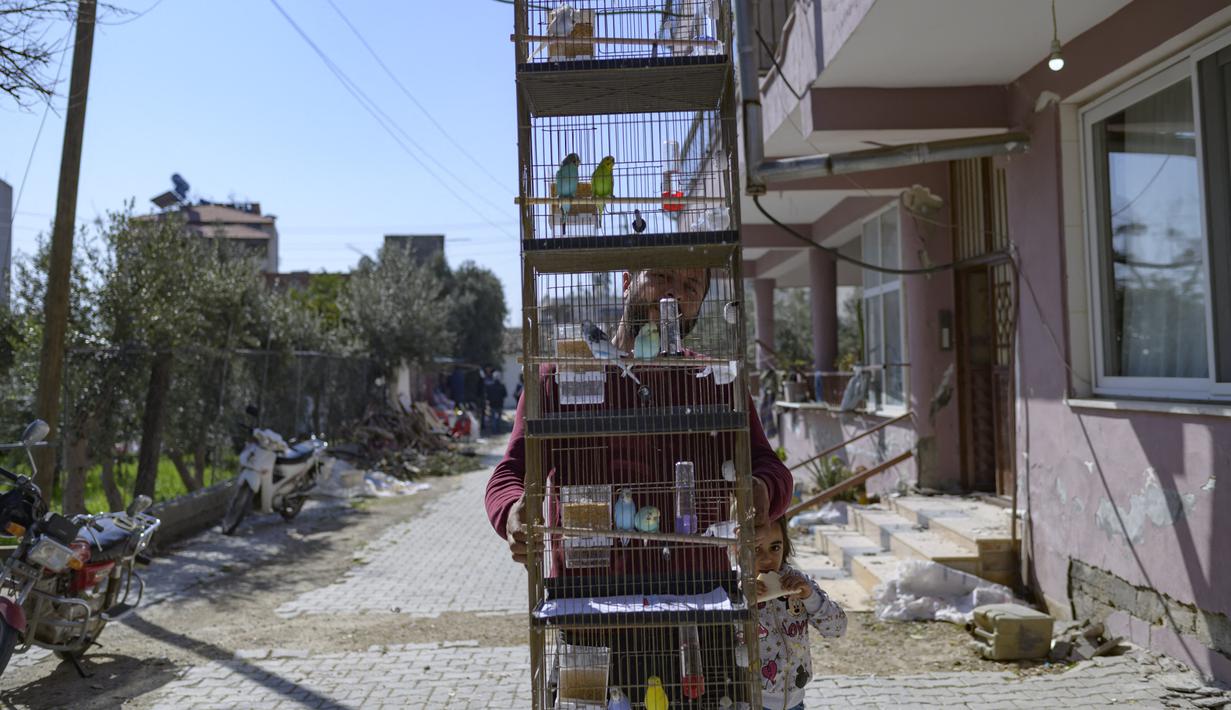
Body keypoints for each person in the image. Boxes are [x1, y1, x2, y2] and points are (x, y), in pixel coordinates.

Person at [754, 517, 847, 710]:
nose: (766, 559)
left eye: (775, 548)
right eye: (756, 550)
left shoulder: (797, 582)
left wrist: (810, 597)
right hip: (750, 701)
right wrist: (743, 599)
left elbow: (837, 629)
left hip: (795, 701)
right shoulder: (731, 590)